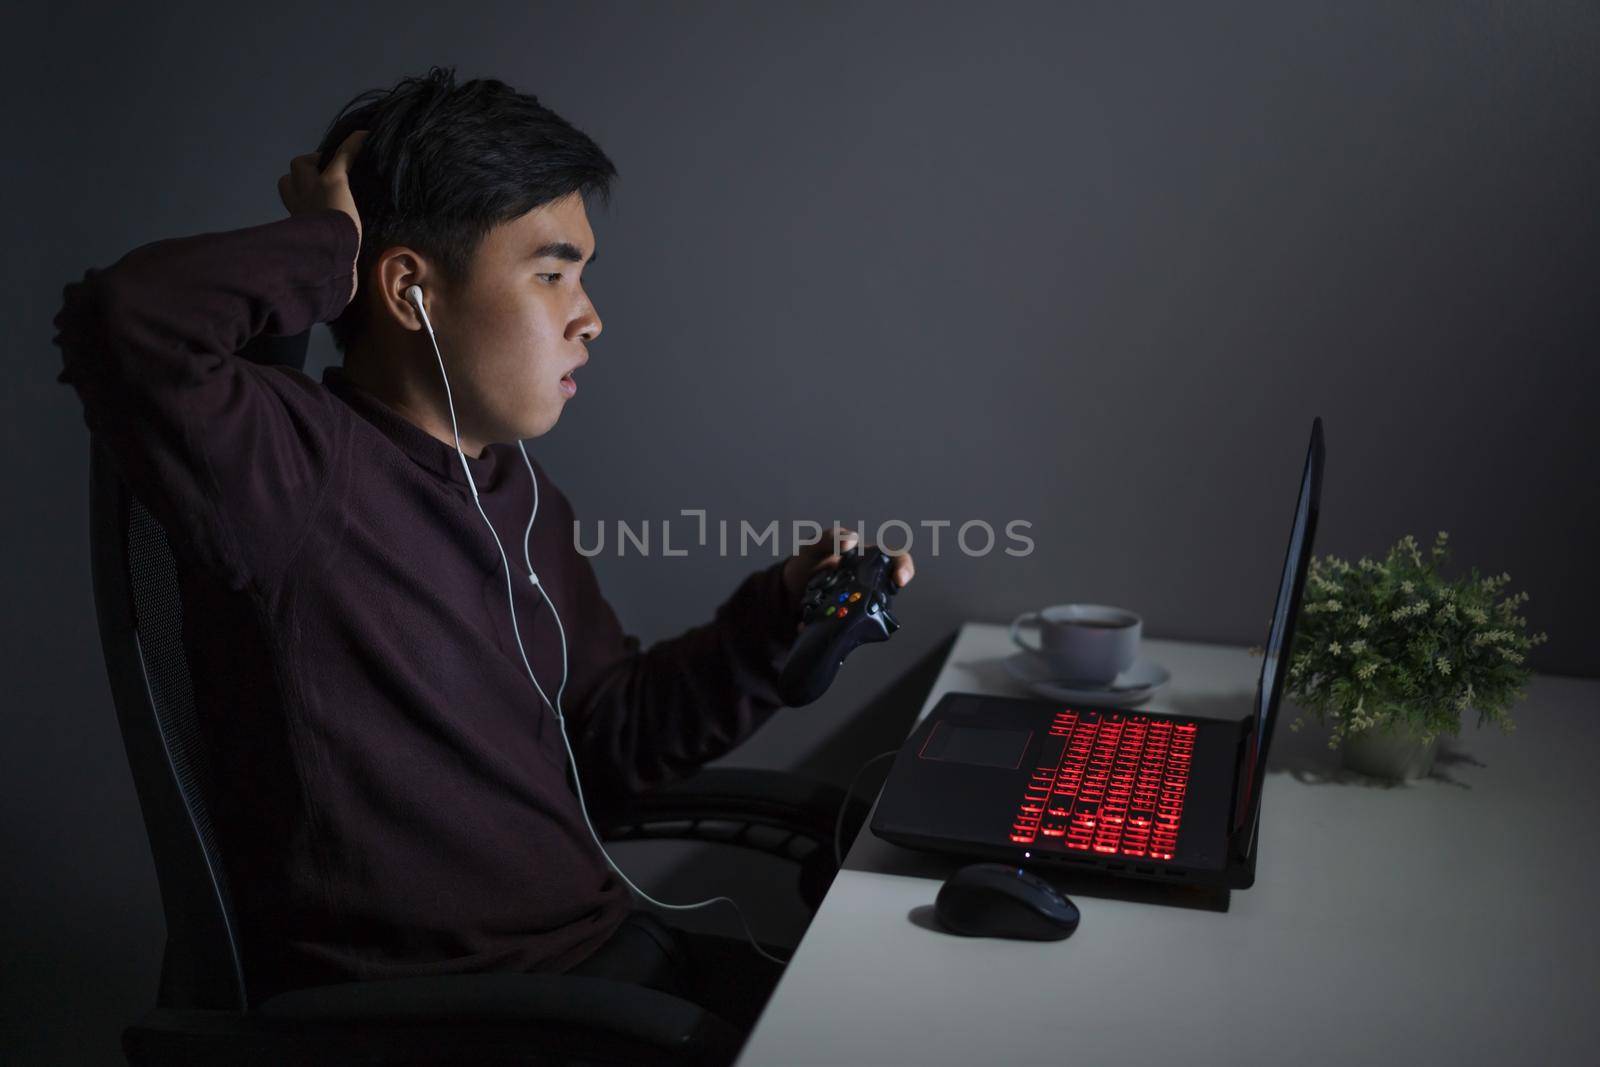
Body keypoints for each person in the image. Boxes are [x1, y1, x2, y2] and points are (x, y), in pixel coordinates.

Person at [52, 65, 914, 1033]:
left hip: (604, 969)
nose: (588, 315)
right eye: (551, 273)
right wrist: (326, 242)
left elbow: (606, 734)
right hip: (476, 1021)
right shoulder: (293, 469)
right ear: (409, 290)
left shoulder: (516, 490)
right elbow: (126, 321)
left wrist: (780, 615)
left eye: (581, 275)